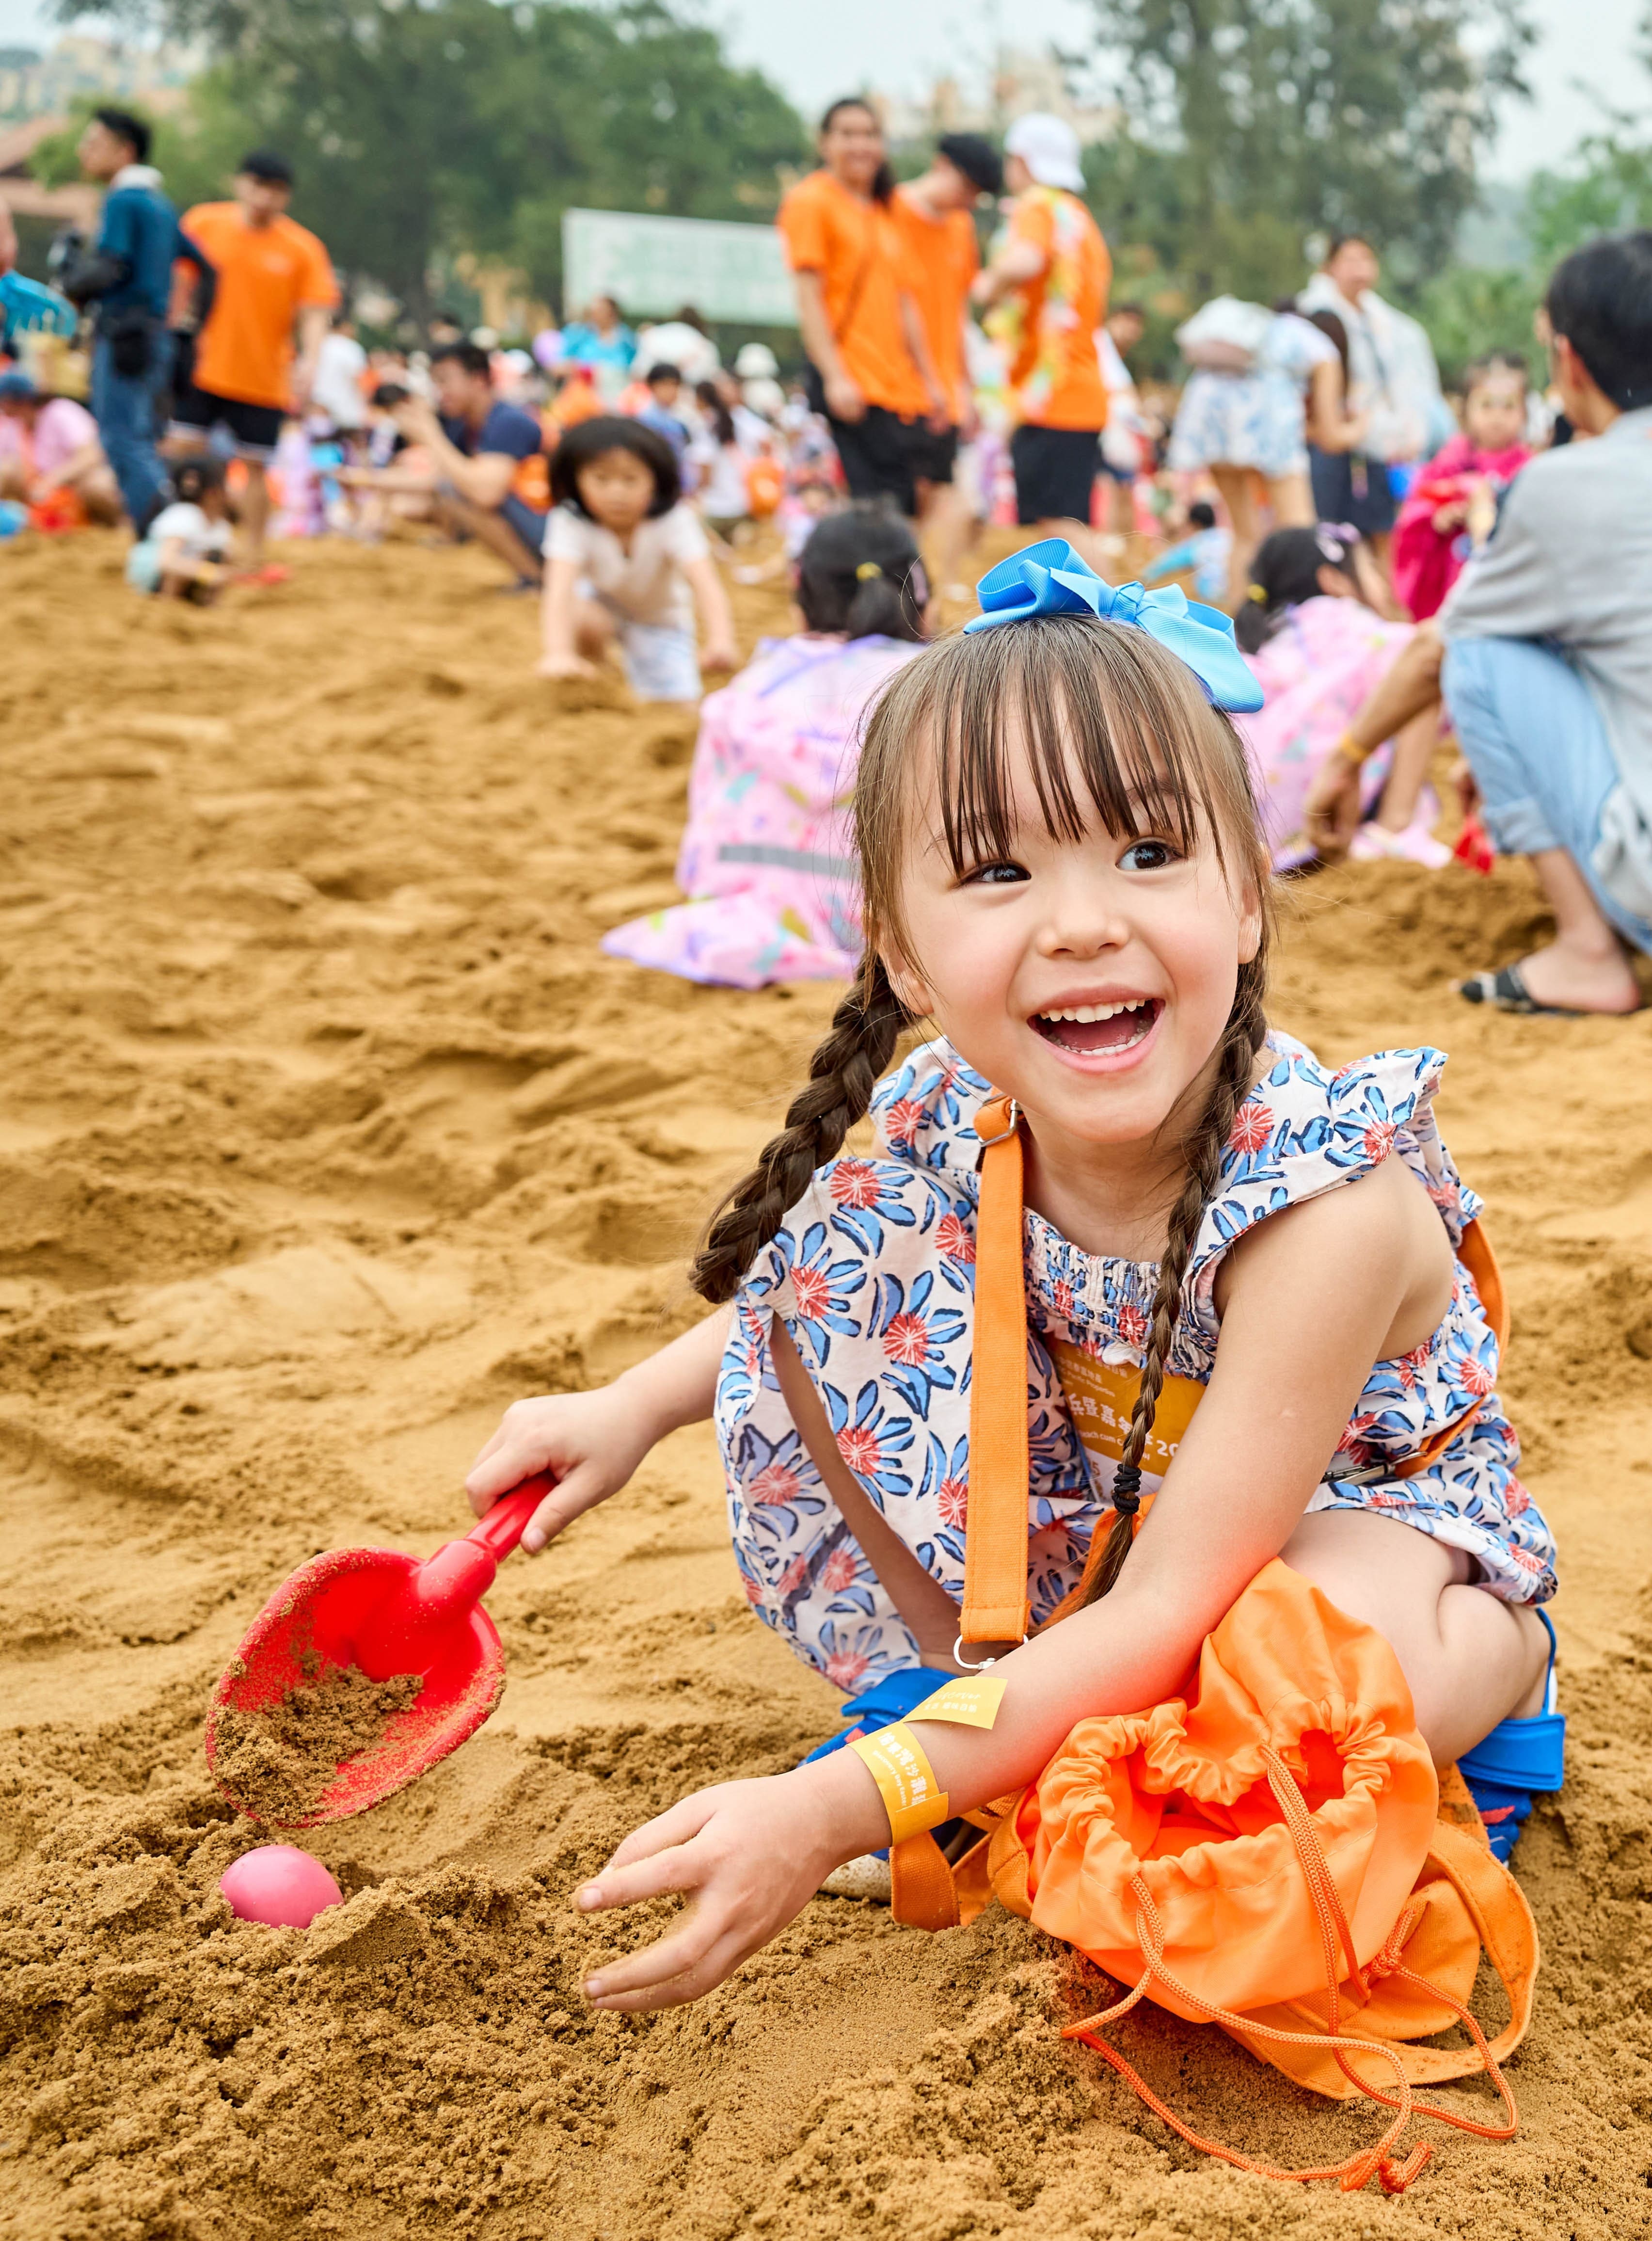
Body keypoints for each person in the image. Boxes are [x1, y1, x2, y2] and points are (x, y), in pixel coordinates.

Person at [467, 536, 1556, 2008]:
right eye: (994, 870)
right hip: (1113, 1530)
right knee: (850, 1267)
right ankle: (990, 1721)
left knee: (1264, 1685)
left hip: (1336, 1533)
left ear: (1246, 896)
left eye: (1148, 852)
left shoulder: (1323, 1206)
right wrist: (627, 1408)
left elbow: (1172, 1603)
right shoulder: (950, 1108)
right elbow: (807, 1298)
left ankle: (1490, 1662)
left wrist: (838, 1802)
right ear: (903, 955)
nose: (1082, 919)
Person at [1312, 234, 1652, 1016]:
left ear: (1568, 363)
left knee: (1477, 644)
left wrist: (1348, 757)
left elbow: (1440, 646)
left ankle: (1586, 951)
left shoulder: (1567, 483)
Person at [604, 506, 931, 987]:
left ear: (800, 597)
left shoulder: (755, 685)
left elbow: (705, 821)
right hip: (888, 927)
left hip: (742, 912)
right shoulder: (931, 689)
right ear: (922, 597)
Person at [1233, 525, 1442, 867]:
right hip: (1312, 795)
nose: (1382, 580)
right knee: (1419, 668)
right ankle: (1395, 827)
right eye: (1371, 567)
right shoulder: (1341, 617)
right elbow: (1418, 653)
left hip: (1253, 815)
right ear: (1333, 581)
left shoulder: (1273, 636)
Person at [778, 96, 946, 520]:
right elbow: (809, 297)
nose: (860, 145)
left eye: (870, 134)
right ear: (825, 143)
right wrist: (836, 377)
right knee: (871, 510)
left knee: (905, 503)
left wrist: (931, 381)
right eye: (848, 134)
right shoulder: (812, 200)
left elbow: (905, 304)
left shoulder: (886, 210)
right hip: (851, 383)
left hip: (896, 388)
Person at [172, 151, 338, 565]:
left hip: (264, 375)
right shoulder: (203, 224)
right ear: (240, 183)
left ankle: (254, 554)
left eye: (276, 190)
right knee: (182, 455)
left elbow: (315, 311)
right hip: (203, 365)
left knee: (256, 467)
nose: (265, 197)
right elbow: (176, 281)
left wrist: (311, 361)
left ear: (287, 197)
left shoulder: (303, 248)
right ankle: (176, 540)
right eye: (259, 185)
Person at [972, 112, 1111, 560]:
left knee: (1060, 529)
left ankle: (1114, 606)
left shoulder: (1037, 206)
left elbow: (1026, 260)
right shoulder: (1081, 219)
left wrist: (985, 286)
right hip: (1075, 392)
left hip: (1051, 397)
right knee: (1064, 526)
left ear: (1023, 161)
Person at [1167, 295, 1363, 610]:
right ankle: (1304, 619)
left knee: (1243, 534)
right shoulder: (1323, 349)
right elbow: (1331, 437)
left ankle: (1242, 625)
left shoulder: (1265, 333)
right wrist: (1362, 426)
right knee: (1300, 533)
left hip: (1208, 414)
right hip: (1266, 419)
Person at [65, 108, 204, 533]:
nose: (83, 151)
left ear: (125, 152)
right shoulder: (161, 205)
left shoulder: (123, 200)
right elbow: (207, 267)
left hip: (124, 333)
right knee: (142, 438)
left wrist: (68, 285)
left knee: (120, 438)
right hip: (155, 335)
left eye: (94, 143)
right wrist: (195, 327)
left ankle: (168, 533)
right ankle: (170, 532)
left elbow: (111, 267)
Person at [540, 414, 736, 701]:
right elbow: (558, 588)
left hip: (660, 620)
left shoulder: (674, 520)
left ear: (655, 480)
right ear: (576, 480)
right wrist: (558, 653)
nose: (616, 492)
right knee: (581, 614)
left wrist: (721, 640)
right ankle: (596, 668)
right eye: (601, 479)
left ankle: (641, 671)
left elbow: (705, 583)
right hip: (602, 611)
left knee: (677, 703)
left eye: (630, 479)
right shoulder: (570, 521)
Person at [890, 132, 1002, 592]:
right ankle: (900, 582)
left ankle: (914, 584)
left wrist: (965, 384)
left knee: (937, 492)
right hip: (894, 380)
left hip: (942, 388)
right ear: (942, 166)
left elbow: (958, 310)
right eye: (968, 188)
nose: (970, 202)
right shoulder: (890, 211)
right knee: (903, 494)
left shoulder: (960, 227)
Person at [1299, 236, 1447, 554]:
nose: (1360, 269)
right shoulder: (1316, 315)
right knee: (1330, 529)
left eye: (1366, 260)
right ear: (1330, 268)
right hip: (1332, 439)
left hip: (1374, 441)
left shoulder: (1387, 322)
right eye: (1350, 261)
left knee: (1379, 529)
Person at [385, 339, 549, 588]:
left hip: (550, 526)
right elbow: (435, 481)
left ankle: (536, 578)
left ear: (478, 380)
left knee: (458, 491)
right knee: (448, 489)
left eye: (444, 380)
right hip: (538, 524)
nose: (439, 391)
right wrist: (362, 479)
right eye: (435, 382)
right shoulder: (465, 425)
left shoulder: (509, 421)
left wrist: (430, 435)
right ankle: (533, 577)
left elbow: (486, 494)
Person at [1390, 353, 1532, 623]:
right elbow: (1418, 506)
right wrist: (1438, 519)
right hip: (1452, 576)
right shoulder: (1450, 460)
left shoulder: (1529, 467)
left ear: (1524, 412)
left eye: (1509, 407)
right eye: (1487, 405)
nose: (1497, 416)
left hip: (1504, 578)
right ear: (1466, 410)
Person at [0, 368, 121, 524]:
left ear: (16, 400)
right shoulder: (12, 424)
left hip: (74, 484)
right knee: (6, 469)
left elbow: (91, 455)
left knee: (99, 487)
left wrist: (52, 481)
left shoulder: (61, 412)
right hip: (37, 490)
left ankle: (114, 524)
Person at [124, 453, 234, 598]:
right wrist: (209, 573)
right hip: (152, 576)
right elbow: (167, 561)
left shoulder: (220, 525)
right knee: (188, 567)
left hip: (184, 569)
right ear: (213, 493)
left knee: (217, 558)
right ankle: (168, 602)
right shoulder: (185, 516)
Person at [1096, 300, 1146, 536]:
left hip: (1115, 429)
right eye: (1128, 322)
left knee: (1123, 488)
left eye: (1137, 325)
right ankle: (1111, 541)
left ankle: (1121, 542)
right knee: (1112, 488)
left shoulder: (1114, 355)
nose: (1132, 330)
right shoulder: (1100, 344)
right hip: (1103, 427)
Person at [1143, 497, 1229, 604]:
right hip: (1229, 592)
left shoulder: (1197, 544)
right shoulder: (1227, 536)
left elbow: (1167, 563)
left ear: (1196, 524)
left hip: (1209, 595)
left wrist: (1145, 578)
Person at [559, 295, 636, 401]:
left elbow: (634, 369)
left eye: (600, 311)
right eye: (593, 312)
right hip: (585, 396)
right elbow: (561, 365)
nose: (595, 315)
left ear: (613, 314)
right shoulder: (581, 335)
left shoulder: (626, 339)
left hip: (616, 396)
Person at [309, 310, 368, 444]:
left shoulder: (318, 344)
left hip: (317, 405)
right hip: (345, 409)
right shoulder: (351, 348)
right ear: (346, 327)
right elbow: (358, 381)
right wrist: (363, 406)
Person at [635, 361, 691, 473]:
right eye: (665, 385)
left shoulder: (680, 416)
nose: (671, 391)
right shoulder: (646, 418)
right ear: (652, 386)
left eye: (675, 385)